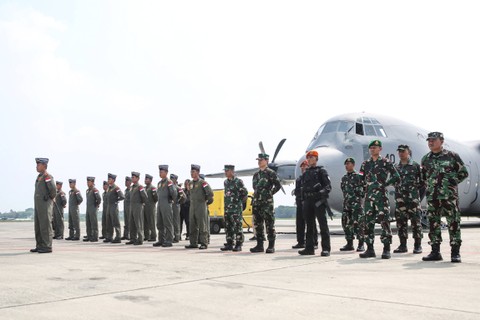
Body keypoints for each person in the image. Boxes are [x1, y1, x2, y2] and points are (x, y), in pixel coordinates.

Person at [421, 132, 468, 263]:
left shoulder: (452, 156)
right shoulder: (426, 159)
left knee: (453, 222)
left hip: (449, 197)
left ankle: (455, 253)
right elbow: (424, 177)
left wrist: (451, 184)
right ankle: (435, 252)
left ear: (441, 141)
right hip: (433, 197)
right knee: (433, 224)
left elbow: (463, 173)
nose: (430, 142)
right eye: (429, 140)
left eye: (433, 140)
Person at [359, 140, 400, 259]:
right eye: (371, 147)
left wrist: (386, 183)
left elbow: (396, 177)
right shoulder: (365, 164)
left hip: (381, 196)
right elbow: (361, 179)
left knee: (384, 222)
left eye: (375, 147)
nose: (372, 149)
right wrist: (363, 188)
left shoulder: (386, 162)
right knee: (368, 223)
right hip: (368, 198)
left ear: (380, 149)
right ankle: (370, 249)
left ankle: (386, 249)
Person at [298, 150, 332, 256]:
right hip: (308, 201)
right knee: (309, 226)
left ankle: (326, 248)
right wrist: (303, 201)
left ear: (316, 159)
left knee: (323, 225)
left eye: (312, 157)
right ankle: (309, 248)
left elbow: (328, 187)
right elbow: (302, 188)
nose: (309, 159)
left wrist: (320, 193)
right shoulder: (306, 173)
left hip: (318, 201)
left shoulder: (321, 171)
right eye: (308, 158)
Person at [393, 145, 424, 254]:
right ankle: (402, 245)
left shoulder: (415, 166)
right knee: (401, 223)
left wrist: (417, 198)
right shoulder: (396, 167)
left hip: (413, 201)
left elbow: (423, 183)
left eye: (403, 151)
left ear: (408, 152)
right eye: (399, 151)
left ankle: (417, 245)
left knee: (416, 222)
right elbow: (393, 182)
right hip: (400, 201)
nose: (401, 153)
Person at [250, 153, 282, 254]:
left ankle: (271, 246)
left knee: (269, 224)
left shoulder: (271, 173)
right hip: (257, 203)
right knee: (258, 225)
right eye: (258, 160)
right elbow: (255, 188)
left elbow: (278, 185)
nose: (259, 161)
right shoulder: (256, 175)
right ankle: (259, 245)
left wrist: (269, 194)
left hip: (267, 204)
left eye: (261, 160)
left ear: (266, 161)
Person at [185, 164, 214, 250]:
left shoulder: (203, 183)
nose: (191, 173)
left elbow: (210, 193)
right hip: (192, 206)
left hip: (201, 206)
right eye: (191, 172)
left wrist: (205, 202)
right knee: (192, 225)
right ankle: (193, 243)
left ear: (198, 172)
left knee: (202, 224)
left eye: (193, 172)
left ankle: (204, 243)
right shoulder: (190, 183)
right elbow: (190, 194)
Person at [31, 158, 57, 253]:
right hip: (39, 205)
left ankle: (47, 246)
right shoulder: (39, 177)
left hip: (45, 205)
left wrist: (49, 197)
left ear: (44, 166)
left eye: (39, 164)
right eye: (37, 164)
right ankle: (40, 245)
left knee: (45, 225)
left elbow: (53, 190)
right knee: (38, 225)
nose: (37, 166)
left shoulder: (47, 176)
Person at [221, 165, 248, 252]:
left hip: (236, 209)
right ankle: (229, 243)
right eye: (225, 170)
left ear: (232, 171)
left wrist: (239, 205)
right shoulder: (226, 182)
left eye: (227, 170)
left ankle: (239, 244)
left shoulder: (238, 182)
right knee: (228, 227)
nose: (225, 172)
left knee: (237, 227)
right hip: (227, 209)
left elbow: (245, 193)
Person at [340, 158, 365, 252]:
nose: (347, 165)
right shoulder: (344, 178)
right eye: (345, 164)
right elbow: (343, 190)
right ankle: (349, 243)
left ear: (353, 165)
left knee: (359, 224)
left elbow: (363, 189)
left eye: (349, 163)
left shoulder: (359, 176)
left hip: (356, 205)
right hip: (347, 204)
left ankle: (361, 244)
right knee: (346, 224)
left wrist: (357, 198)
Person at [292, 160, 318, 249]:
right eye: (302, 167)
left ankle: (314, 242)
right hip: (300, 203)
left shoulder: (312, 178)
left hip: (309, 202)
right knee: (299, 223)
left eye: (305, 166)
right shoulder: (299, 179)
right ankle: (300, 242)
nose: (303, 168)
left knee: (311, 223)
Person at [154, 165, 177, 247]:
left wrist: (172, 200)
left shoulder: (169, 182)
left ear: (166, 172)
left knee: (168, 223)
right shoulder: (159, 183)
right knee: (159, 223)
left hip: (166, 204)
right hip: (160, 205)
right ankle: (161, 239)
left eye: (162, 172)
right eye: (159, 172)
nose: (160, 173)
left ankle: (169, 240)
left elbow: (174, 193)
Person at [127, 172, 148, 245]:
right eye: (132, 177)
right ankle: (133, 238)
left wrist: (141, 203)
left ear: (138, 178)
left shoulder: (140, 187)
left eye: (134, 177)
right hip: (132, 206)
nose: (132, 179)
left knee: (138, 223)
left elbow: (145, 197)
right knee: (132, 223)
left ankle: (140, 239)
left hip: (138, 206)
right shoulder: (132, 187)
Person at [105, 173, 125, 243]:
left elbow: (122, 196)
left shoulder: (116, 188)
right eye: (108, 179)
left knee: (115, 222)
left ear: (113, 180)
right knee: (109, 222)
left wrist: (116, 200)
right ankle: (109, 236)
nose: (108, 180)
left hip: (113, 206)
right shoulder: (109, 188)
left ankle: (118, 237)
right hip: (109, 206)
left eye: (109, 179)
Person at [84, 176, 101, 242]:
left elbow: (99, 199)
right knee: (88, 223)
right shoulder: (88, 190)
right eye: (87, 182)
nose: (88, 183)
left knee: (94, 223)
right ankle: (89, 236)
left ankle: (95, 236)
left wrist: (96, 205)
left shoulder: (95, 190)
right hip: (88, 208)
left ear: (92, 182)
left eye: (89, 182)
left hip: (93, 208)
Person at [144, 174, 158, 242]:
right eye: (145, 179)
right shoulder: (144, 188)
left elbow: (156, 198)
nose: (145, 180)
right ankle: (146, 236)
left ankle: (153, 236)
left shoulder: (153, 188)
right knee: (145, 222)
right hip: (145, 207)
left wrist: (152, 203)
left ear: (150, 180)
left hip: (151, 206)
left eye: (147, 179)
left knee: (151, 222)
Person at [170, 173, 183, 242]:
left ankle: (177, 236)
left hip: (176, 206)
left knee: (176, 221)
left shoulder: (178, 188)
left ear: (175, 180)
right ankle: (171, 236)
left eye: (172, 178)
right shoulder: (169, 187)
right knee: (170, 221)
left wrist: (178, 202)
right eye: (170, 178)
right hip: (170, 206)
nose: (171, 180)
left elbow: (183, 197)